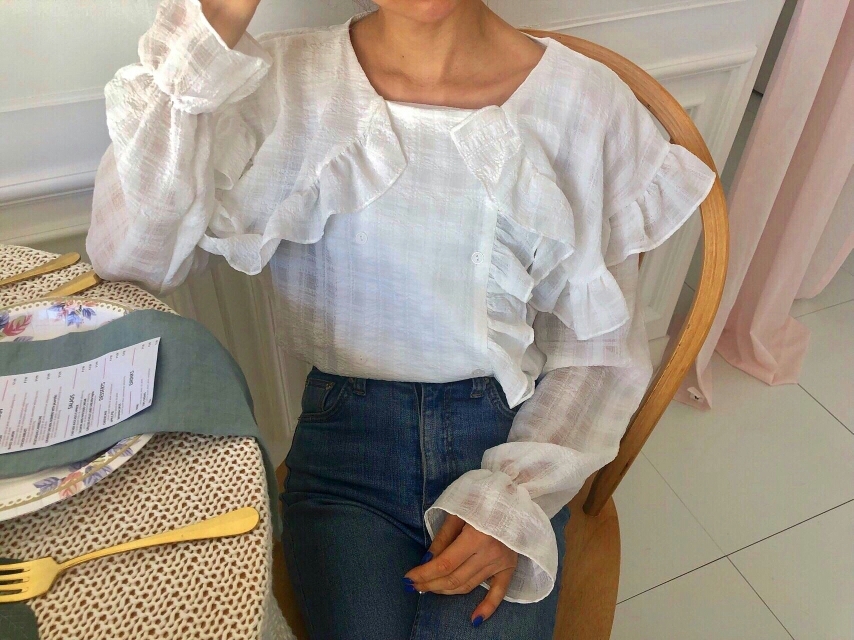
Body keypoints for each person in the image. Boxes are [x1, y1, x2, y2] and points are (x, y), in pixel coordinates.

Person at [86, 0, 716, 637]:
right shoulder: (281, 83)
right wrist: (215, 20)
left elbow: (599, 352)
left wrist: (514, 498)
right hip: (343, 450)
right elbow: (130, 258)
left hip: (511, 438)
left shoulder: (585, 103)